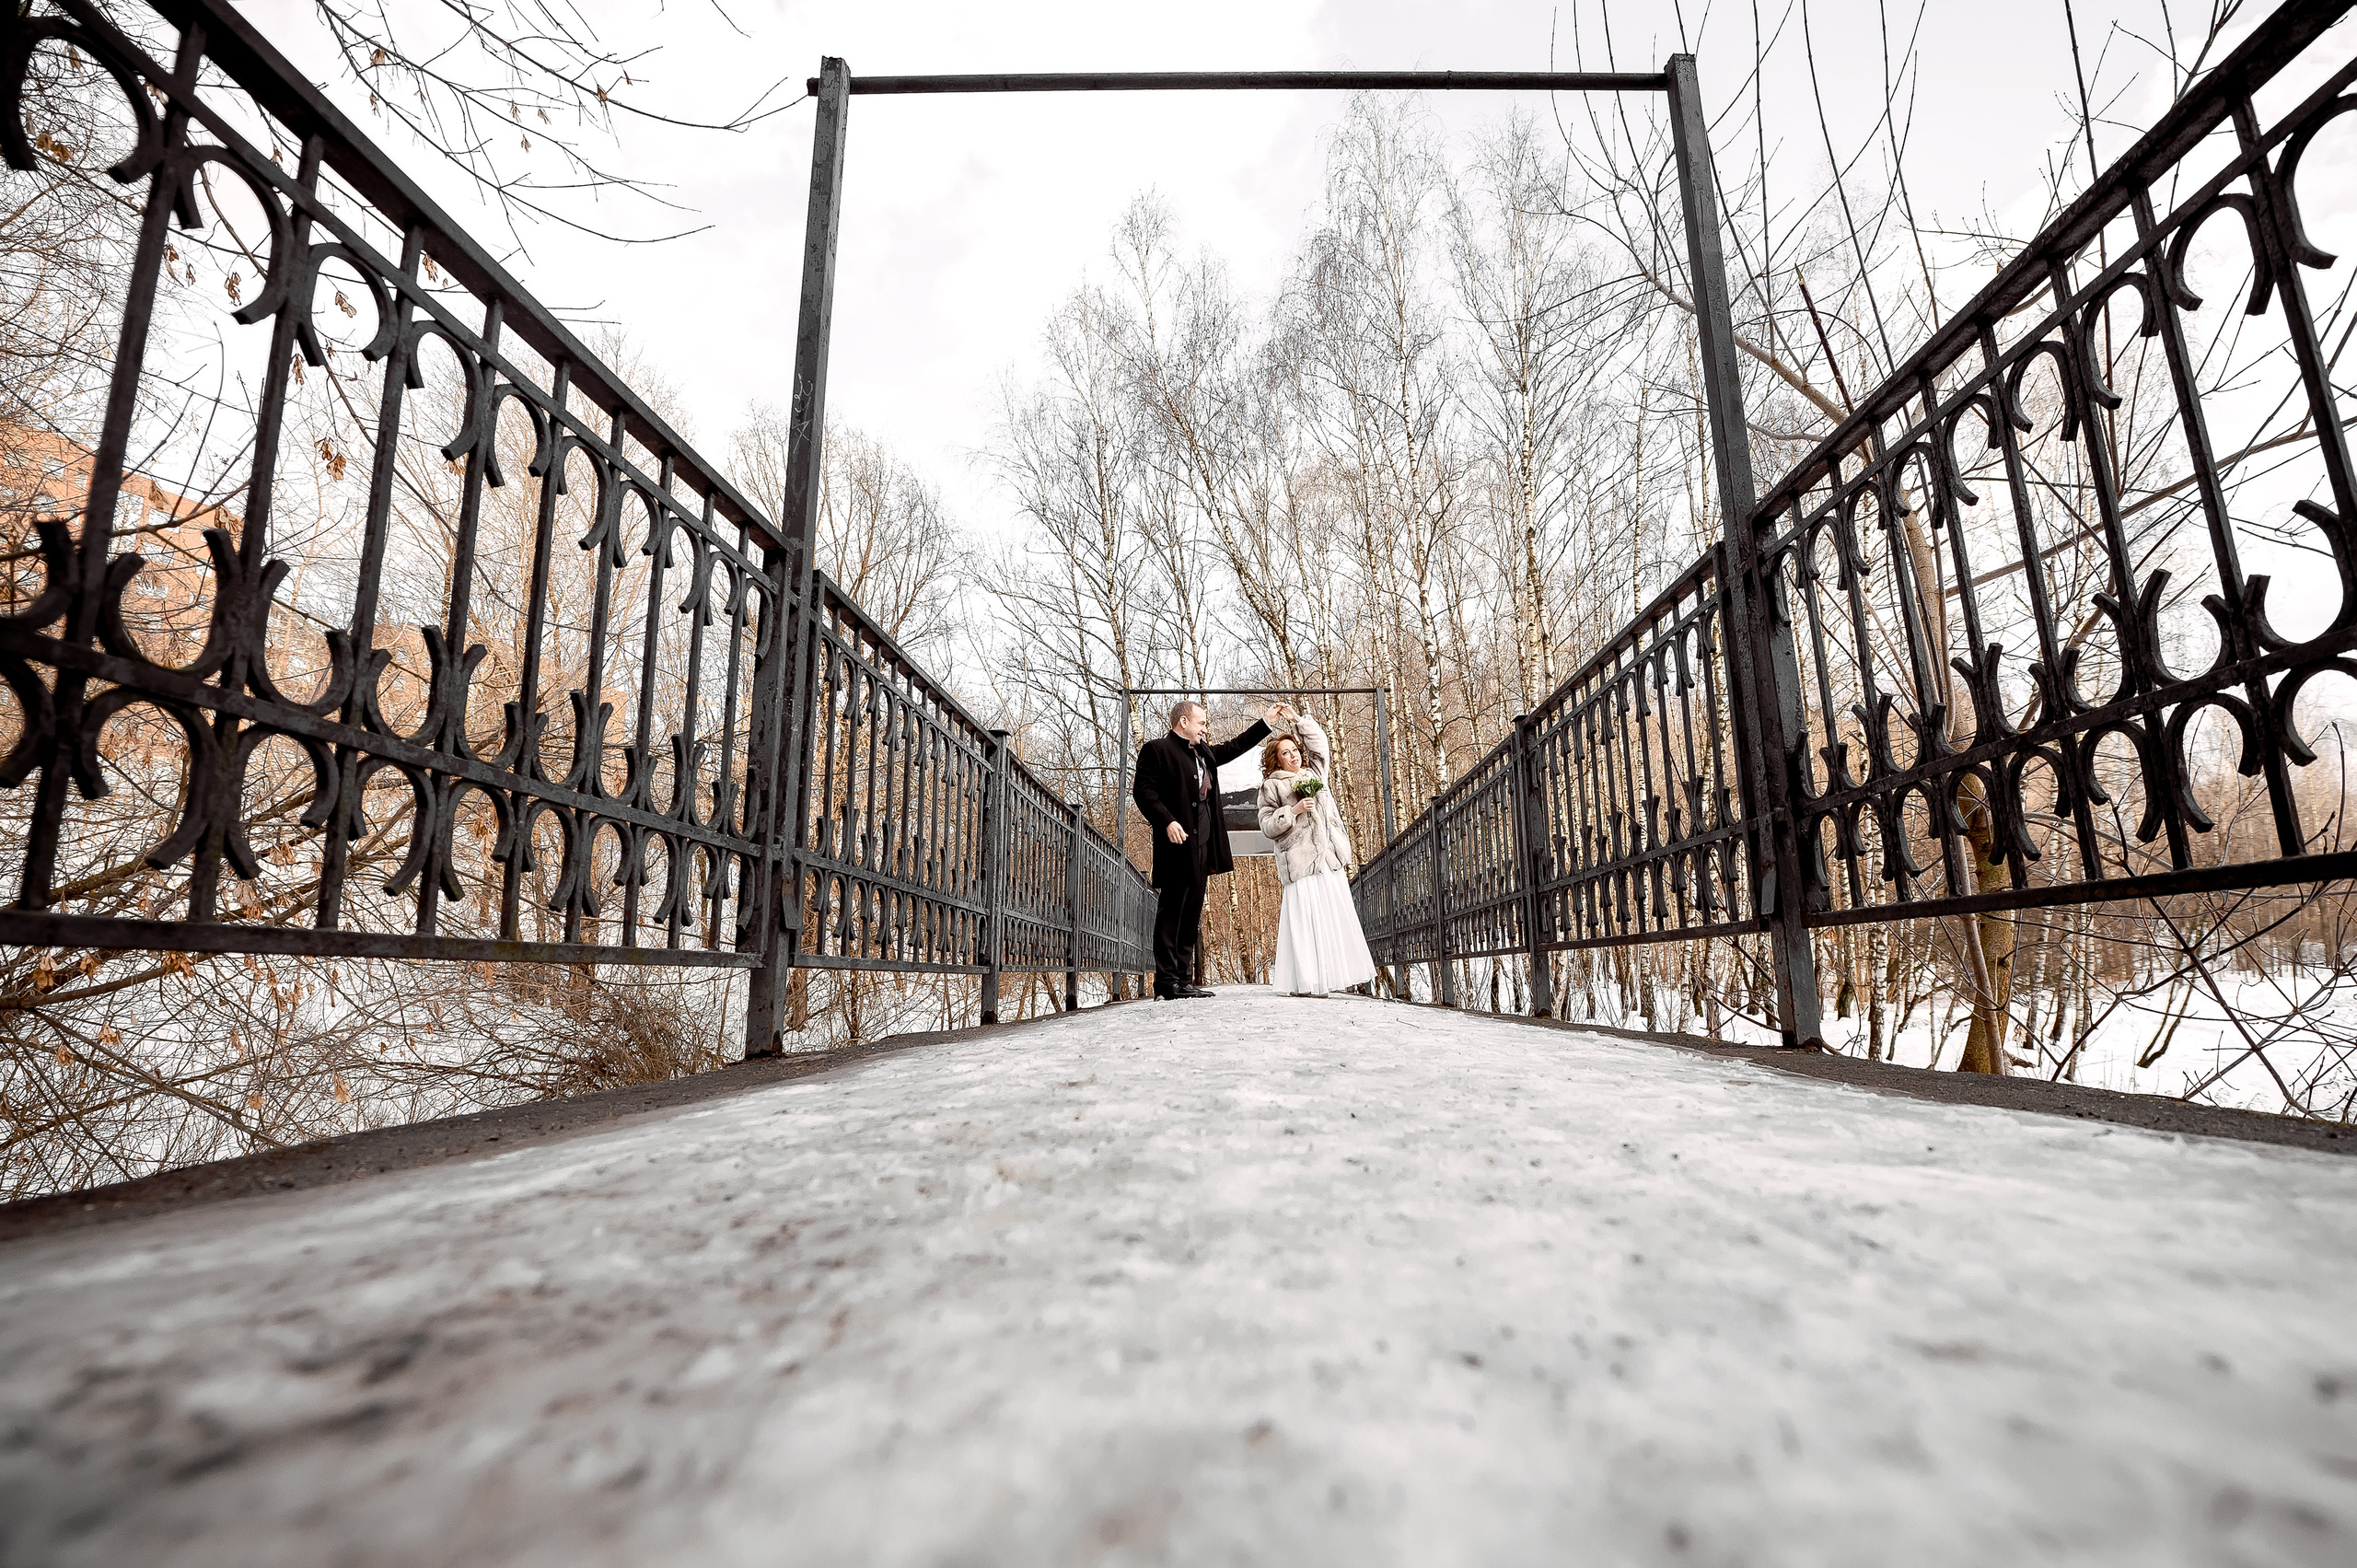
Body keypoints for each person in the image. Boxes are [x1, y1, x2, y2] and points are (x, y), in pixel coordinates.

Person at [1132, 700, 1274, 1000]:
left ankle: (1183, 981)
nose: (1205, 728)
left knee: (1192, 913)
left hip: (1204, 847)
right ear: (1184, 722)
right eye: (1201, 723)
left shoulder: (1204, 752)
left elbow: (1234, 747)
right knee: (1172, 913)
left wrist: (1265, 723)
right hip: (1176, 845)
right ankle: (1166, 983)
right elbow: (1144, 791)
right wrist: (1167, 821)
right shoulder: (1158, 750)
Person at [1256, 704, 1377, 997]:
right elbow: (1267, 825)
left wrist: (1298, 720)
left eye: (1294, 749)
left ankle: (1329, 979)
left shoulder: (1315, 773)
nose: (1293, 755)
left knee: (1331, 917)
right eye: (1285, 753)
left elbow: (1321, 746)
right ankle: (1306, 983)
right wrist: (1293, 811)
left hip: (1327, 857)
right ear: (1276, 759)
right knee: (1304, 921)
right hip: (1299, 860)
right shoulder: (1271, 786)